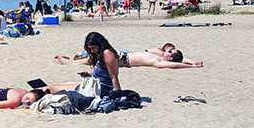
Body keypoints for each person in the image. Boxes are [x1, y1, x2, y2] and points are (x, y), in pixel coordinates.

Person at [58, 43, 203, 69]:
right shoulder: (159, 54)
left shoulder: (159, 61)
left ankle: (69, 63)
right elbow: (180, 59)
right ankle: (71, 61)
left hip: (123, 60)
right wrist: (192, 62)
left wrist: (191, 67)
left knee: (93, 60)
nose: (168, 50)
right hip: (123, 55)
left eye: (171, 52)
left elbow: (176, 64)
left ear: (170, 58)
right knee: (93, 58)